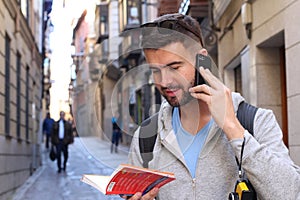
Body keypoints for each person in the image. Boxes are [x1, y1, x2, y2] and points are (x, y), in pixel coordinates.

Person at [124, 13, 300, 199]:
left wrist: (233, 128)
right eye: (155, 71)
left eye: (175, 67)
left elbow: (291, 194)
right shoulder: (146, 136)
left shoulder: (257, 122)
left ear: (202, 60)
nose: (165, 81)